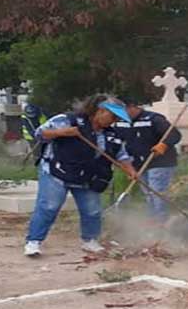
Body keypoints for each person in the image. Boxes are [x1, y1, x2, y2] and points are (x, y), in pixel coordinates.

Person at [24, 95, 138, 257]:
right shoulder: (67, 120)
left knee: (92, 210)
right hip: (57, 171)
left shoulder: (112, 134)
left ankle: (90, 240)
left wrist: (130, 171)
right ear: (100, 111)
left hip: (87, 176)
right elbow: (40, 134)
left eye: (117, 119)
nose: (113, 121)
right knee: (49, 207)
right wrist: (63, 132)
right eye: (113, 117)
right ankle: (33, 242)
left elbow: (121, 155)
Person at [113, 97, 182, 223]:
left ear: (132, 107)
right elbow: (116, 142)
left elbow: (175, 135)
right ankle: (152, 219)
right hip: (138, 164)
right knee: (148, 194)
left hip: (161, 162)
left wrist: (164, 145)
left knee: (157, 191)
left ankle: (161, 220)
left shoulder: (154, 119)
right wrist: (125, 165)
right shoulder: (120, 123)